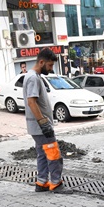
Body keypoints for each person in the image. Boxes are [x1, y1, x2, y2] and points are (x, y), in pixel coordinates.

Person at [25, 48, 70, 193]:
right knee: (53, 153)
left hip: (36, 127)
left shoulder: (33, 76)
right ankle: (56, 184)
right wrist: (43, 123)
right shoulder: (32, 78)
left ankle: (42, 182)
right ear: (41, 62)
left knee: (43, 154)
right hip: (40, 127)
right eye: (50, 65)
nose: (51, 69)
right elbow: (31, 102)